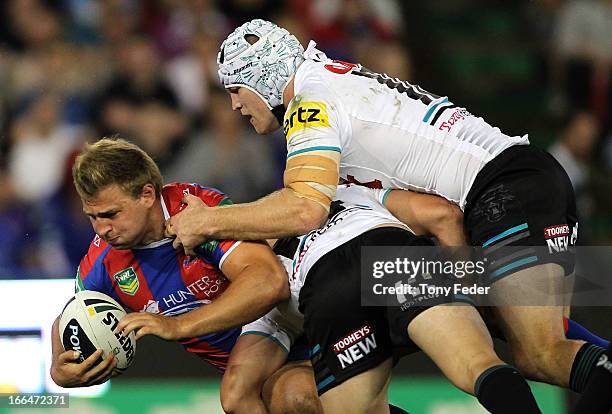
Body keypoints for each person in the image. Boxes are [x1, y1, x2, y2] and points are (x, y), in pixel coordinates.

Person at [166, 19, 612, 411]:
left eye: (235, 90)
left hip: (502, 192)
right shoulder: (333, 81)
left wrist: (209, 221)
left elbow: (305, 207)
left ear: (262, 79)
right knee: (540, 348)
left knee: (539, 351)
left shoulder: (310, 104)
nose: (234, 106)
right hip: (520, 182)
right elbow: (437, 213)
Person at [123, 183, 543, 414]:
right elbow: (443, 216)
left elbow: (267, 300)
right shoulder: (357, 187)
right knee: (479, 365)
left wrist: (206, 223)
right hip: (396, 254)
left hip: (329, 286)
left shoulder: (263, 237)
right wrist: (467, 288)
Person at [48, 138, 322, 414]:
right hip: (269, 370)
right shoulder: (102, 262)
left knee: (281, 395)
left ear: (146, 195)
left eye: (111, 214)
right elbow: (73, 315)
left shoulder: (196, 212)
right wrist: (59, 368)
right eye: (92, 217)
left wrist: (177, 325)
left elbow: (269, 282)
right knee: (283, 396)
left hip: (308, 331)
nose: (101, 229)